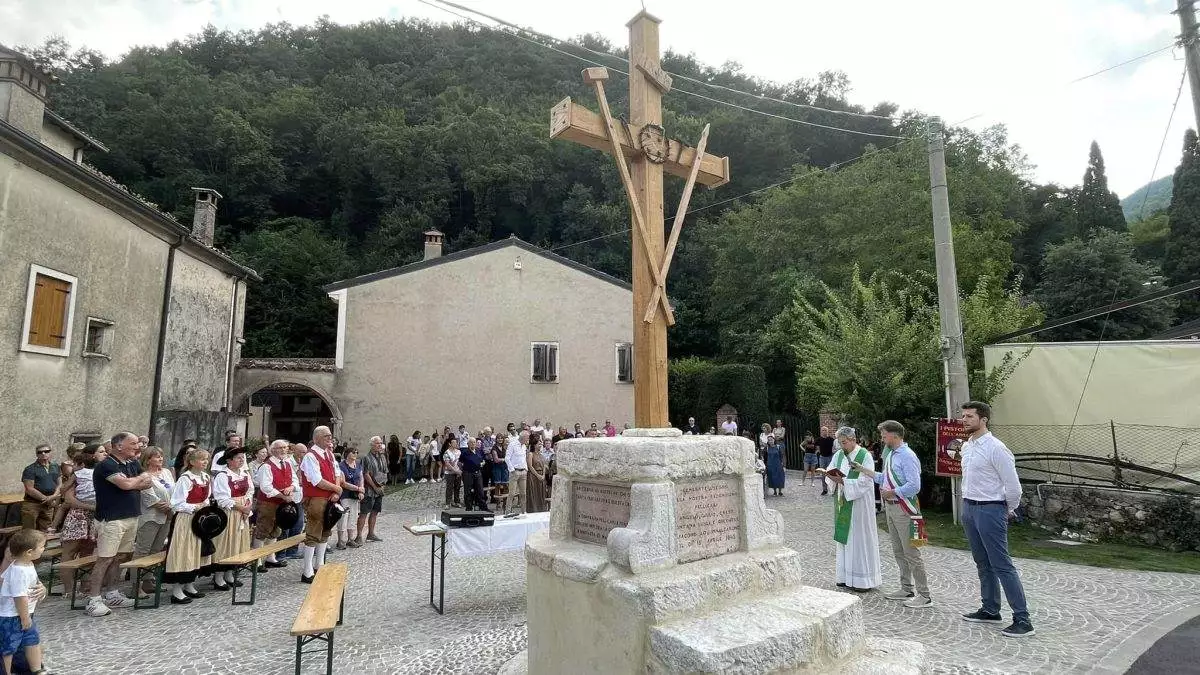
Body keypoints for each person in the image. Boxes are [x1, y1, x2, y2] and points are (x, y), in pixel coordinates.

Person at [959, 401, 1034, 638]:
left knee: (1002, 564)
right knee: (982, 562)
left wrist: (1006, 509)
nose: (965, 420)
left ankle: (1022, 619)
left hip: (991, 508)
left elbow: (1013, 487)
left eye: (970, 416)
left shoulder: (996, 448)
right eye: (963, 416)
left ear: (984, 420)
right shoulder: (967, 447)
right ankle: (990, 608)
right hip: (969, 506)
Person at [865, 420, 931, 609]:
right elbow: (884, 478)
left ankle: (924, 595)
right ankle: (906, 588)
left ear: (894, 435)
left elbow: (914, 486)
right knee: (898, 550)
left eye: (884, 435)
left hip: (906, 508)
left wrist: (893, 493)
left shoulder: (907, 456)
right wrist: (864, 471)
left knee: (912, 552)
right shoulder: (891, 454)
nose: (881, 438)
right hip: (891, 508)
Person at [87, 432, 152, 617]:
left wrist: (134, 482)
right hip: (111, 519)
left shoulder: (132, 463)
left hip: (130, 516)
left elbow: (147, 482)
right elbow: (125, 485)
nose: (137, 446)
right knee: (105, 558)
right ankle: (94, 599)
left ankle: (113, 593)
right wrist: (134, 482)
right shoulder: (106, 465)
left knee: (118, 557)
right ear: (119, 446)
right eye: (133, 443)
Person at [824, 427, 882, 592]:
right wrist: (830, 476)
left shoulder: (865, 456)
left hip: (859, 505)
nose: (842, 446)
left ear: (852, 439)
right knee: (845, 539)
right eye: (840, 443)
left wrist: (844, 482)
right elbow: (831, 469)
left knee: (859, 539)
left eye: (844, 442)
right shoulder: (840, 454)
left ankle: (862, 580)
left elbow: (866, 480)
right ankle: (844, 577)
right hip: (843, 501)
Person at [163, 448, 213, 604]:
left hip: (199, 519)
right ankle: (177, 590)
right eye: (201, 459)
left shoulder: (205, 477)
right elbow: (176, 503)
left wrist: (204, 505)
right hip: (186, 519)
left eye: (206, 459)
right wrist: (195, 507)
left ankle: (189, 584)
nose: (205, 462)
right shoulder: (185, 478)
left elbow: (207, 497)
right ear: (192, 462)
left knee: (196, 551)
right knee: (184, 552)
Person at [0, 529, 47, 675]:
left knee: (33, 640)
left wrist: (42, 589)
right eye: (42, 546)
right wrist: (24, 616)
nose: (44, 549)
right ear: (28, 552)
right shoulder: (18, 569)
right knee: (9, 646)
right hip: (12, 616)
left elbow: (32, 584)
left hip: (25, 614)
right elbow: (19, 596)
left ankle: (37, 670)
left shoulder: (27, 565)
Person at [299, 426, 343, 583]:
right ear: (316, 438)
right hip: (316, 498)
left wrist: (336, 491)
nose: (329, 438)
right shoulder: (311, 456)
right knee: (313, 532)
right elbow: (316, 480)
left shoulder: (329, 454)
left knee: (325, 530)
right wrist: (336, 488)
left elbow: (337, 473)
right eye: (326, 436)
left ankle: (320, 564)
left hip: (330, 498)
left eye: (330, 436)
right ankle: (307, 570)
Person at [59, 444, 103, 595]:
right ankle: (70, 589)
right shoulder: (94, 473)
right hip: (80, 515)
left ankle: (80, 587)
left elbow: (63, 490)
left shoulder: (79, 474)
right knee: (72, 551)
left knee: (86, 551)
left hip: (87, 515)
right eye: (101, 452)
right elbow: (68, 496)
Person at [252, 440, 301, 568]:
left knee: (276, 529)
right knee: (263, 529)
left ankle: (270, 557)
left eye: (285, 448)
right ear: (273, 450)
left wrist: (291, 487)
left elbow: (295, 481)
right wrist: (281, 495)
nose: (284, 450)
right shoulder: (266, 466)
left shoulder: (287, 464)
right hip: (268, 502)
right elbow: (265, 487)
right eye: (280, 448)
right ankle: (257, 560)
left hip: (281, 503)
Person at [211, 446, 254, 590]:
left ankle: (230, 573)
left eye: (243, 457)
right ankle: (218, 577)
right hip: (229, 512)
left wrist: (248, 505)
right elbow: (222, 498)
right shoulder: (223, 475)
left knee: (237, 542)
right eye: (238, 458)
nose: (241, 460)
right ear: (229, 460)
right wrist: (241, 507)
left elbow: (250, 490)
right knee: (225, 542)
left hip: (242, 512)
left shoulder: (244, 474)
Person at [134, 447, 174, 595]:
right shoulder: (144, 475)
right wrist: (164, 506)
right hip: (150, 516)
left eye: (161, 456)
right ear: (148, 459)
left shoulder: (166, 472)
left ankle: (148, 580)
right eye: (157, 457)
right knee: (142, 550)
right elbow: (149, 497)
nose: (160, 459)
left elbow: (173, 491)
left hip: (167, 515)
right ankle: (135, 584)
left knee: (156, 549)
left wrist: (171, 506)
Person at [20, 445, 61, 532]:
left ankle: (42, 545)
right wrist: (47, 499)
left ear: (50, 452)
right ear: (37, 455)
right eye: (40, 452)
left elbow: (59, 484)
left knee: (46, 529)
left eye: (46, 451)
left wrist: (53, 497)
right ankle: (28, 546)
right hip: (32, 504)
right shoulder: (30, 469)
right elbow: (29, 489)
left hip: (49, 504)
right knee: (29, 530)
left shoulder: (55, 466)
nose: (43, 453)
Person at [359, 437, 387, 543]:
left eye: (380, 443)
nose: (379, 445)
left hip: (380, 488)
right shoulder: (366, 458)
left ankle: (371, 533)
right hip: (369, 489)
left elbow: (385, 472)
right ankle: (359, 536)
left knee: (375, 512)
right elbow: (365, 474)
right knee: (364, 512)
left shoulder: (383, 457)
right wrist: (374, 487)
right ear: (371, 445)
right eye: (377, 443)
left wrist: (382, 486)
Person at [335, 448, 365, 550]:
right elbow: (342, 482)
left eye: (357, 452)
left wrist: (361, 491)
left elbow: (361, 478)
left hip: (355, 496)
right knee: (343, 517)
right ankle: (340, 540)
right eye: (353, 452)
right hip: (345, 495)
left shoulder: (358, 465)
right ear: (347, 454)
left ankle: (350, 539)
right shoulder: (341, 466)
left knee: (353, 517)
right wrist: (358, 488)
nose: (355, 454)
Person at [460, 437, 488, 512]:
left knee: (480, 491)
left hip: (477, 473)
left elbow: (482, 460)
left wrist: (483, 463)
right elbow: (461, 463)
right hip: (468, 473)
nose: (473, 444)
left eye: (474, 442)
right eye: (471, 442)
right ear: (468, 444)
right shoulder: (465, 453)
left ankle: (483, 507)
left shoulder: (478, 451)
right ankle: (469, 508)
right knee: (468, 492)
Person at [506, 431, 529, 515]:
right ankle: (507, 512)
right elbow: (507, 458)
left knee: (523, 493)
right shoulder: (512, 444)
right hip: (515, 471)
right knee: (512, 493)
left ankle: (523, 511)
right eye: (527, 438)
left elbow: (524, 458)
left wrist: (526, 469)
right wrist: (512, 470)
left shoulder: (524, 446)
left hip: (523, 471)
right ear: (522, 437)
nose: (528, 439)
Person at [527, 440, 548, 513]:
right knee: (534, 493)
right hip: (533, 476)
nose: (540, 445)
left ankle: (541, 509)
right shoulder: (530, 454)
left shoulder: (541, 454)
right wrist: (537, 475)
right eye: (539, 444)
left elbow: (545, 465)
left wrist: (543, 475)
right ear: (534, 445)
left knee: (541, 493)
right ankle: (534, 509)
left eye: (541, 444)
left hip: (542, 475)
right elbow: (530, 466)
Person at [816, 427, 835, 495]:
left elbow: (834, 448)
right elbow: (817, 448)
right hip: (822, 458)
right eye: (823, 430)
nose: (824, 431)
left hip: (830, 457)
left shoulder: (831, 439)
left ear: (827, 431)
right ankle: (824, 489)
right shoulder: (818, 439)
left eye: (825, 430)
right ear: (821, 431)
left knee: (831, 473)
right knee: (823, 474)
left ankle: (833, 490)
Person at [443, 441, 462, 507]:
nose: (456, 444)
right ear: (450, 444)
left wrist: (459, 471)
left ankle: (457, 501)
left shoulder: (459, 452)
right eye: (454, 443)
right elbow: (447, 464)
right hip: (449, 473)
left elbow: (461, 461)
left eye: (456, 443)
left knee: (457, 487)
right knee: (449, 488)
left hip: (458, 472)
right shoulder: (447, 452)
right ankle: (448, 503)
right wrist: (455, 471)